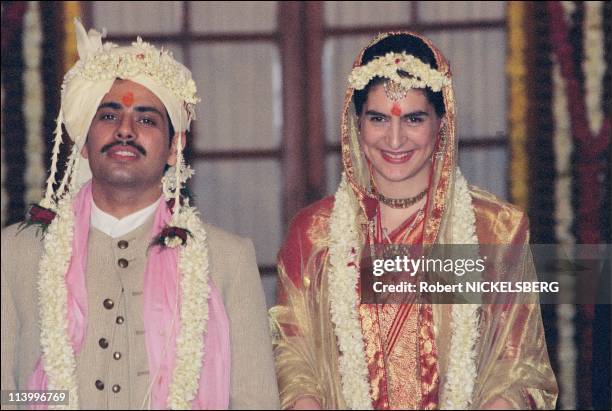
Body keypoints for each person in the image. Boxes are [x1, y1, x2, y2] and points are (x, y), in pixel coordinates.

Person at [269, 32, 558, 409]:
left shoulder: (496, 230)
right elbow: (294, 355)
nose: (394, 139)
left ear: (442, 122)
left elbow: (519, 367)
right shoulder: (314, 232)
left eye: (414, 119)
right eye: (377, 118)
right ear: (356, 124)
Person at [1, 20, 279, 409]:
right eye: (109, 116)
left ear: (173, 148)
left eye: (147, 120)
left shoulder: (227, 259)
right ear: (83, 141)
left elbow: (255, 401)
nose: (126, 131)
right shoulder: (17, 252)